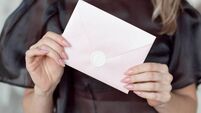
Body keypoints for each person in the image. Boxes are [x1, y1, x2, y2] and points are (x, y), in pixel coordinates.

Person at [0, 0, 201, 113]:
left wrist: (164, 100)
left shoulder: (173, 7)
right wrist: (44, 91)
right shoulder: (53, 3)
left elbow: (188, 106)